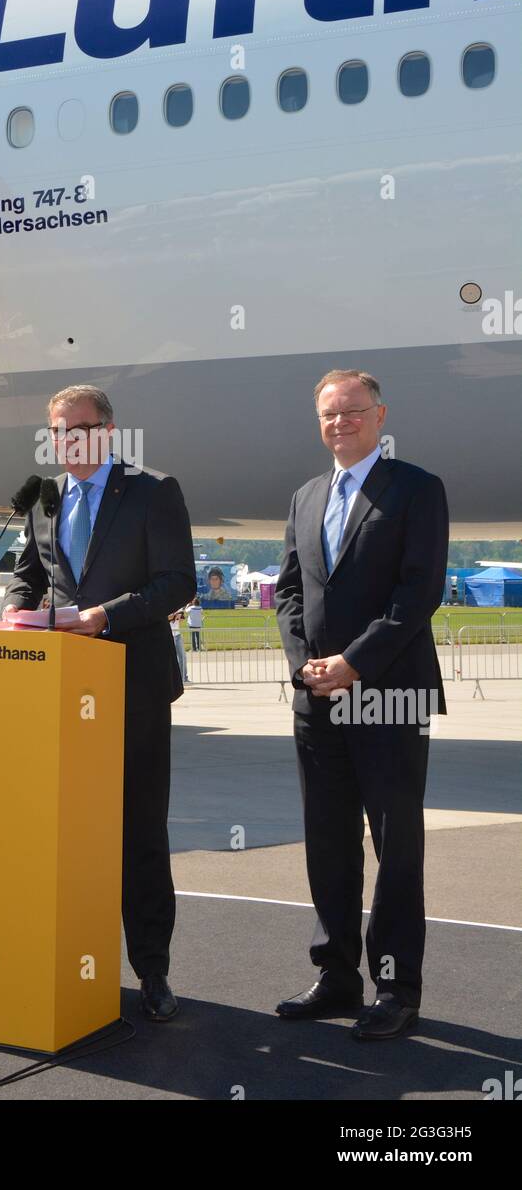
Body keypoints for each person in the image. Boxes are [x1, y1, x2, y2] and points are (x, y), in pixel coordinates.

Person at [4, 385, 195, 1021]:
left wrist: (100, 617)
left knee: (139, 832)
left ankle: (153, 971)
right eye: (59, 431)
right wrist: (15, 603)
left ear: (108, 431)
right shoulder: (43, 499)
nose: (69, 440)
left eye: (80, 428)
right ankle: (70, 962)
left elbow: (177, 582)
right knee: (65, 833)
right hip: (59, 692)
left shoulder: (152, 490)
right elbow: (33, 571)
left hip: (132, 688)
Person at [275, 369, 449, 1040]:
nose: (339, 423)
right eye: (328, 414)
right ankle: (336, 974)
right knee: (328, 839)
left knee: (395, 843)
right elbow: (290, 592)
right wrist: (306, 667)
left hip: (390, 694)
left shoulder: (416, 489)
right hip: (317, 697)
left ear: (379, 416)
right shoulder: (305, 497)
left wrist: (355, 662)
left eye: (352, 411)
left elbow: (418, 593)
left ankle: (397, 986)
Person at [169, 610, 188, 684]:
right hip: (169, 635)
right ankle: (172, 679)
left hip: (177, 635)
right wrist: (174, 616)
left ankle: (184, 678)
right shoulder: (165, 606)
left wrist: (180, 616)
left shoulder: (178, 607)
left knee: (182, 657)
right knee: (171, 658)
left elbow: (183, 618)